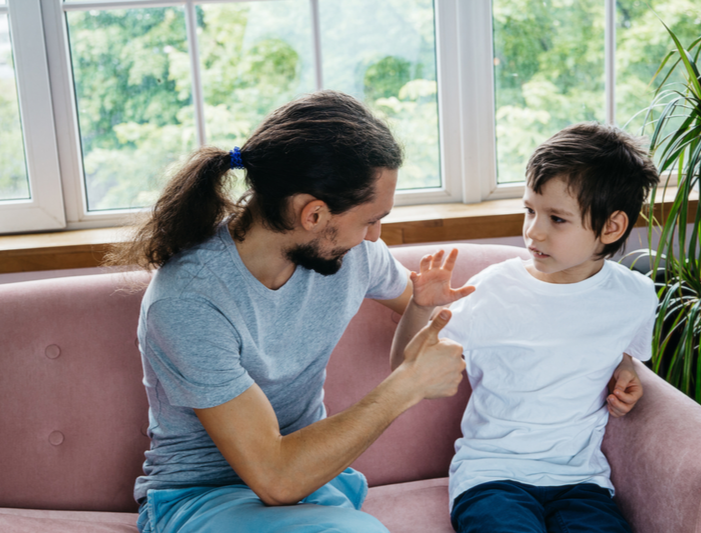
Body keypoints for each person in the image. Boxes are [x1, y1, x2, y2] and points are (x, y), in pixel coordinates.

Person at [106, 90, 471, 533]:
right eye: (370, 219)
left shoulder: (353, 256)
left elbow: (417, 334)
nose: (375, 236)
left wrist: (421, 305)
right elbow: (276, 479)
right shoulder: (188, 300)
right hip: (202, 498)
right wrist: (407, 386)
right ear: (313, 214)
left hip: (316, 482)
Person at [390, 122, 660, 533]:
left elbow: (621, 349)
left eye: (556, 218)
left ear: (611, 227)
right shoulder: (492, 288)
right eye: (529, 210)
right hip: (491, 477)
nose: (534, 231)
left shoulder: (636, 296)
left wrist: (627, 371)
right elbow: (403, 369)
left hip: (581, 481)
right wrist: (419, 307)